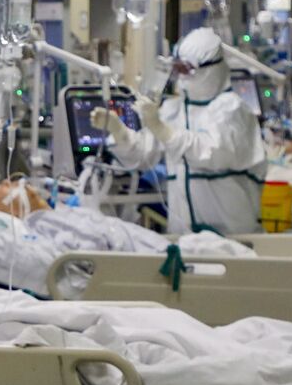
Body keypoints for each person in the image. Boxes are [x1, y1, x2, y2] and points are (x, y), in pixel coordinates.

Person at [92, 27, 268, 236]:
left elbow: (213, 153)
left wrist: (162, 130)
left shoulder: (232, 109)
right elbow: (143, 155)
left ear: (211, 69)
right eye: (178, 69)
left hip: (233, 234)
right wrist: (119, 131)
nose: (181, 77)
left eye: (187, 70)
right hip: (184, 236)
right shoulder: (173, 110)